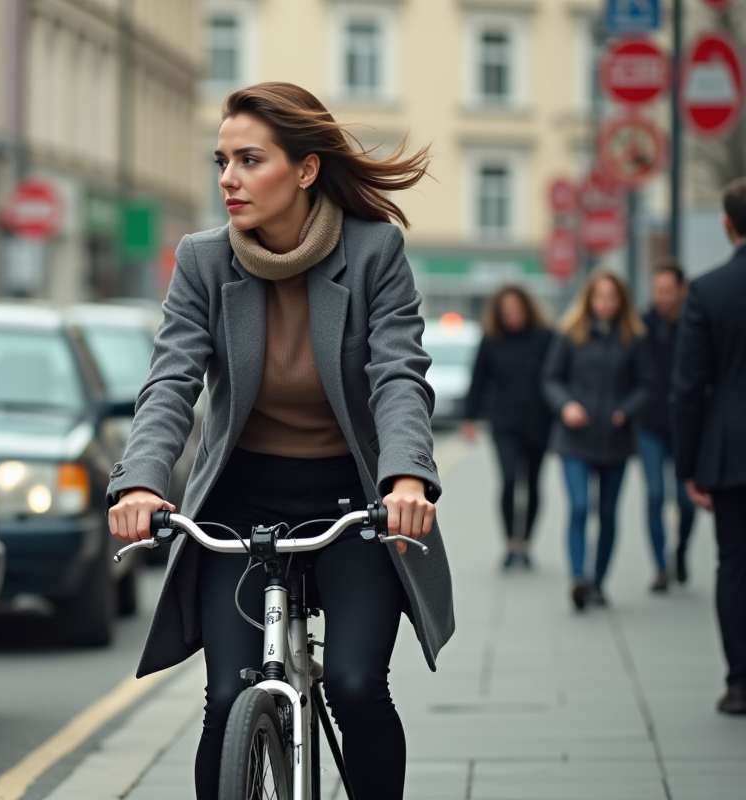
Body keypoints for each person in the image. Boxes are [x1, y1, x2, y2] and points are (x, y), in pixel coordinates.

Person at [105, 83, 453, 800]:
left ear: (305, 170)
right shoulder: (203, 262)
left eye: (249, 159)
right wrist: (141, 481)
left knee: (357, 687)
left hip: (352, 502)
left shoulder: (374, 253)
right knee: (228, 703)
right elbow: (171, 383)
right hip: (239, 501)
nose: (227, 179)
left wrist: (405, 480)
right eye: (221, 160)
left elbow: (398, 376)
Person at [671, 176, 746, 716]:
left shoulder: (710, 290)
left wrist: (690, 463)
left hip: (731, 449)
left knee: (735, 564)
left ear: (727, 224)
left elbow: (688, 388)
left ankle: (740, 682)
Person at [543, 269, 651, 611]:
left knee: (607, 513)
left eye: (612, 297)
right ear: (589, 299)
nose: (605, 303)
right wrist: (566, 405)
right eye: (599, 296)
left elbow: (646, 384)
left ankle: (599, 580)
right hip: (575, 437)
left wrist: (626, 409)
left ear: (621, 301)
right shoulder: (570, 334)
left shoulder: (633, 338)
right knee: (578, 507)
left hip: (615, 440)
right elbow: (551, 377)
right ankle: (579, 578)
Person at [462, 286, 555, 570]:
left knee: (534, 484)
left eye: (516, 311)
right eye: (506, 313)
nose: (512, 316)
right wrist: (470, 417)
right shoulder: (492, 340)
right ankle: (509, 543)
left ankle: (525, 543)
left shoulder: (546, 338)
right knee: (510, 480)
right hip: (504, 423)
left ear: (527, 309)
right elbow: (478, 379)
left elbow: (558, 377)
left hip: (540, 422)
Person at [638, 260, 696, 592]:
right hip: (649, 425)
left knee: (687, 501)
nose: (660, 297)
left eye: (667, 290)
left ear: (681, 291)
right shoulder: (641, 326)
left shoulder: (694, 324)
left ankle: (682, 551)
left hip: (686, 425)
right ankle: (661, 567)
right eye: (656, 289)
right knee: (655, 495)